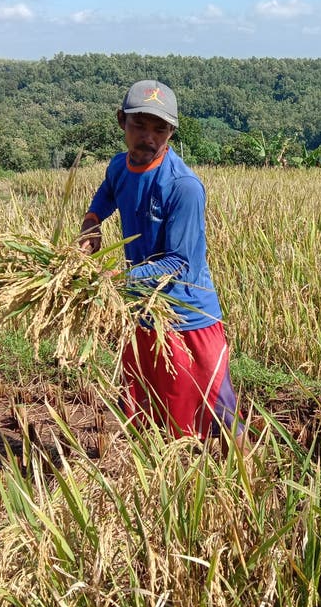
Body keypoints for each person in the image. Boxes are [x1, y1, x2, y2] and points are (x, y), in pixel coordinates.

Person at [79, 79, 244, 450]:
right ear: (122, 121)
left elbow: (179, 263)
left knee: (222, 418)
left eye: (160, 129)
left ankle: (251, 483)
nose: (149, 138)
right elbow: (108, 191)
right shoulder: (119, 167)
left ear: (171, 132)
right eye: (140, 125)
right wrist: (92, 219)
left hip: (189, 320)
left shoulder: (183, 187)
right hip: (143, 314)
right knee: (150, 417)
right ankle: (160, 492)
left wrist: (119, 279)